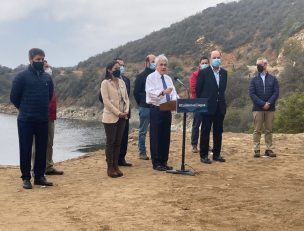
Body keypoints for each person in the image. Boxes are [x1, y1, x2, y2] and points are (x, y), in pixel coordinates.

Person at [10, 48, 54, 189]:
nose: (40, 62)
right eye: (37, 60)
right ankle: (26, 178)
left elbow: (49, 95)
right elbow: (14, 97)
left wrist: (41, 109)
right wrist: (25, 109)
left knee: (42, 148)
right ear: (30, 60)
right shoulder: (21, 77)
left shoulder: (47, 77)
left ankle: (40, 176)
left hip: (42, 119)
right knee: (26, 148)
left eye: (42, 59)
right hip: (26, 120)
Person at [145, 54, 179, 171]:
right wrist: (163, 92)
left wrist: (176, 100)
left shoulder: (168, 79)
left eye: (165, 65)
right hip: (156, 109)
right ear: (156, 65)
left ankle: (164, 161)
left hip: (167, 110)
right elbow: (150, 93)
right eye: (161, 64)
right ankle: (156, 163)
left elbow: (174, 92)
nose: (163, 67)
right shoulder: (151, 78)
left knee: (165, 136)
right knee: (156, 137)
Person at [32, 60, 64, 175]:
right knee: (37, 144)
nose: (48, 68)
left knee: (49, 143)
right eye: (46, 67)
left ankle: (48, 166)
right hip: (39, 116)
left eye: (48, 66)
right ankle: (35, 168)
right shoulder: (35, 81)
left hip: (50, 116)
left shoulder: (49, 81)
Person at [196, 50, 227, 164]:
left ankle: (217, 154)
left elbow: (222, 90)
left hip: (220, 107)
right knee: (205, 131)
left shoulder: (224, 73)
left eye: (218, 57)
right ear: (210, 59)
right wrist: (203, 103)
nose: (216, 59)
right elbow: (198, 90)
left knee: (218, 131)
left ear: (221, 58)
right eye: (214, 58)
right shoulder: (204, 73)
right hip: (208, 107)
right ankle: (203, 155)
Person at [100, 60, 129, 178]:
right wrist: (118, 113)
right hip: (110, 117)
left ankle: (116, 165)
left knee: (118, 142)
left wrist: (126, 110)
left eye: (119, 67)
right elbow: (106, 102)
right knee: (110, 142)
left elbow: (126, 98)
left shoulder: (122, 82)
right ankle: (110, 167)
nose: (118, 70)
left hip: (123, 116)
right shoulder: (105, 83)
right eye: (116, 68)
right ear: (109, 70)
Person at [249, 57, 279, 158]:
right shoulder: (253, 80)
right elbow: (252, 94)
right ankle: (256, 149)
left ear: (265, 65)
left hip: (270, 108)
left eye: (260, 65)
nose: (258, 67)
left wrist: (269, 103)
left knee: (269, 130)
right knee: (257, 130)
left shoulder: (273, 79)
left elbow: (276, 92)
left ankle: (269, 149)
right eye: (257, 65)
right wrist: (262, 104)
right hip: (257, 108)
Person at [133, 54, 156, 160]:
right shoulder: (141, 76)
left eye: (155, 61)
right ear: (147, 62)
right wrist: (142, 103)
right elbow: (136, 92)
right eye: (153, 61)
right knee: (143, 131)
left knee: (155, 131)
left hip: (156, 107)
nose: (154, 63)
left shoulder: (157, 76)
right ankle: (142, 152)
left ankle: (154, 151)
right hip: (145, 107)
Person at [189, 56, 209, 153]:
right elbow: (193, 89)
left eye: (206, 63)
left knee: (207, 124)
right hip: (197, 102)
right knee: (196, 124)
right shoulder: (194, 75)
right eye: (203, 63)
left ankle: (205, 144)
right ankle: (194, 145)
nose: (204, 64)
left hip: (208, 103)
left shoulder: (210, 75)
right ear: (199, 64)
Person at [115, 58, 132, 167]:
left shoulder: (126, 80)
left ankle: (122, 159)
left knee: (124, 137)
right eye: (120, 65)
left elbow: (127, 97)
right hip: (115, 114)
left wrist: (126, 109)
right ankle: (114, 160)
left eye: (123, 65)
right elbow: (102, 98)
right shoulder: (110, 80)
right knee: (115, 138)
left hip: (126, 113)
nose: (122, 67)